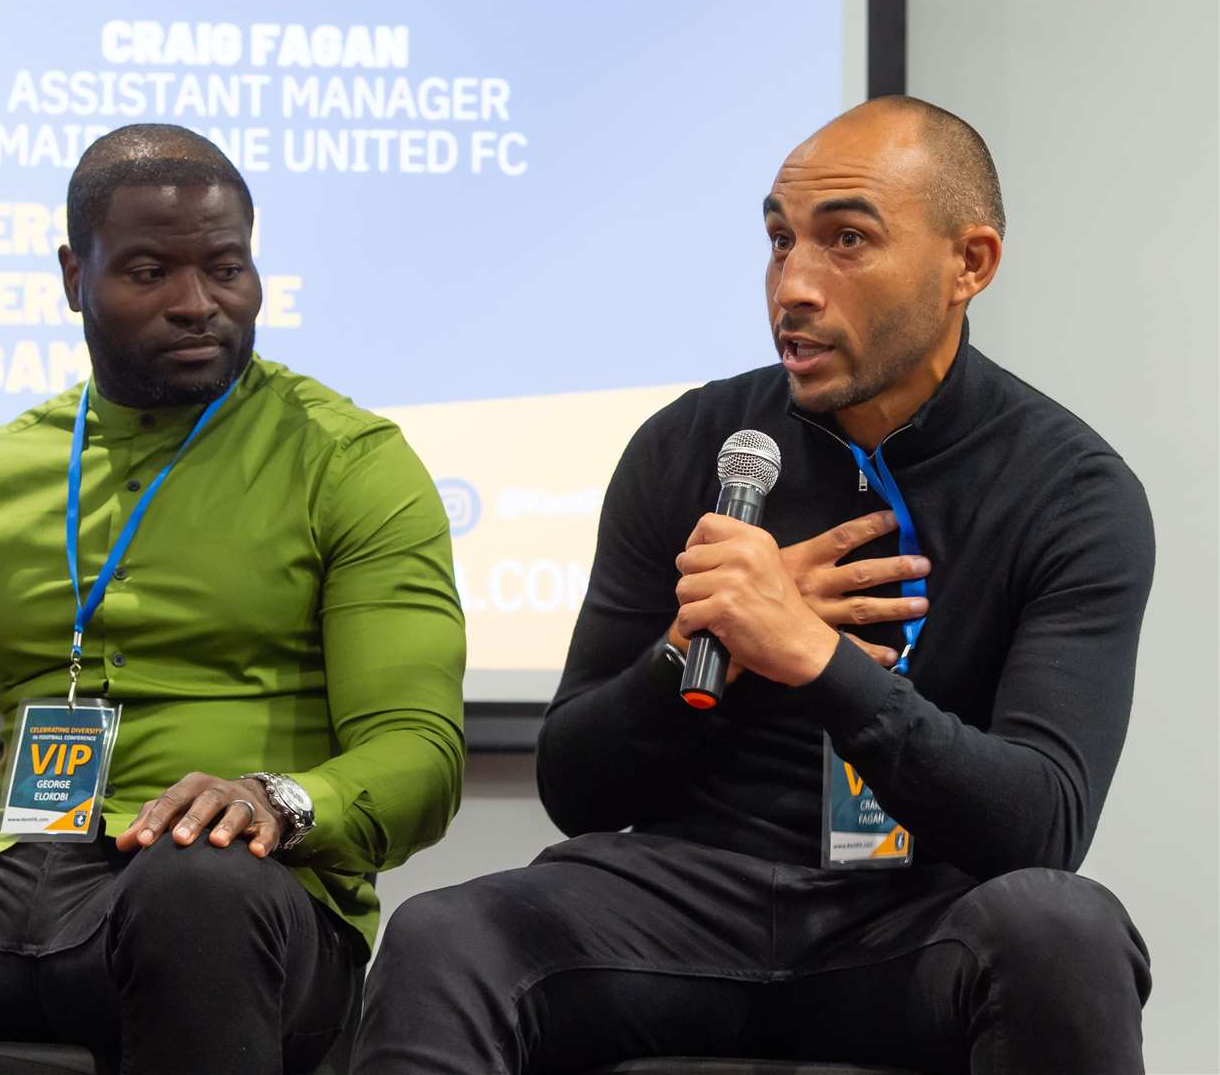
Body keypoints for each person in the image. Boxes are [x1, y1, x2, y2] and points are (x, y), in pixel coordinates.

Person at [353, 96, 1154, 1074]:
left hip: (910, 921)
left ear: (967, 265)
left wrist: (815, 657)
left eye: (845, 240)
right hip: (684, 899)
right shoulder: (696, 446)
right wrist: (707, 649)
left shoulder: (1067, 489)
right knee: (447, 936)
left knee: (1061, 928)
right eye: (778, 242)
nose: (795, 286)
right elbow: (576, 786)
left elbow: (1038, 824)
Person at [0, 124, 466, 1075]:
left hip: (243, 906)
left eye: (227, 269)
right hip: (8, 885)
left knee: (198, 890)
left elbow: (418, 753)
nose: (198, 304)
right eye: (149, 272)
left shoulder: (350, 464)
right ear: (76, 278)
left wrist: (278, 801)